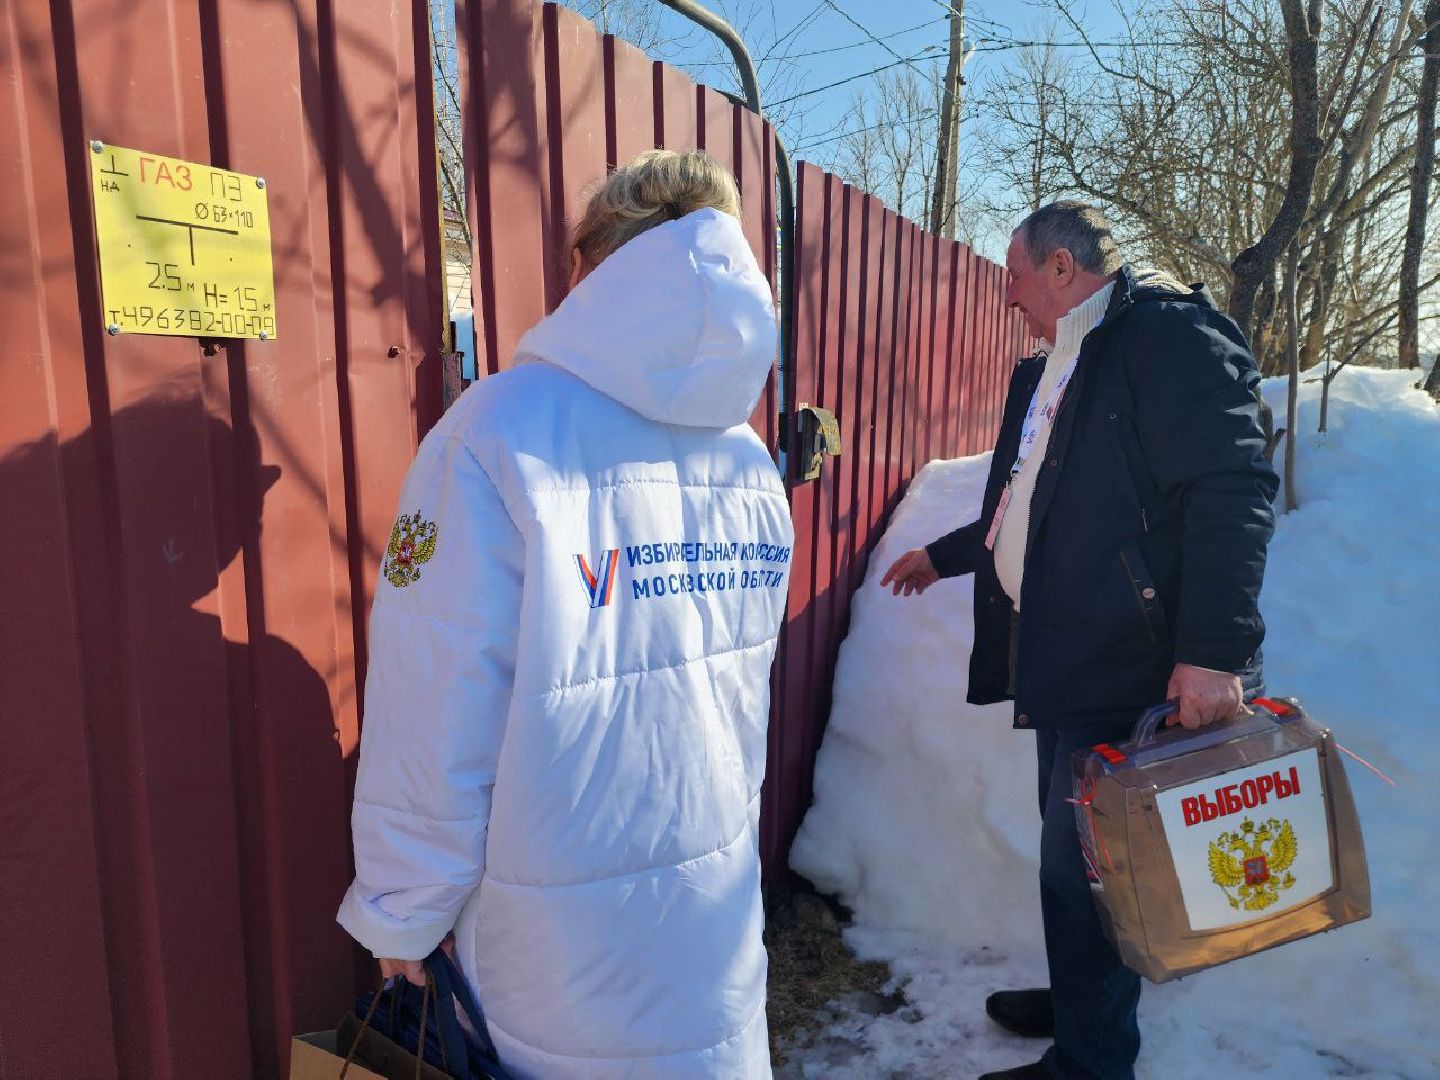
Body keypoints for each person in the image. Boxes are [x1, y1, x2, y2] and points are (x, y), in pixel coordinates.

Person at [337, 150, 793, 1078]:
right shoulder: (750, 463)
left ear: (594, 268)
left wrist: (402, 908)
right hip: (708, 914)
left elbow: (437, 701)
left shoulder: (497, 432)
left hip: (555, 946)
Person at [882, 201, 1278, 1080]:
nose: (1009, 296)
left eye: (1017, 276)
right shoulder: (1051, 365)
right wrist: (946, 557)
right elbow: (1028, 504)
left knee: (1088, 872)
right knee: (1080, 868)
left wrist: (1213, 652)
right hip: (1061, 659)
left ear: (1062, 268)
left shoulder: (1167, 339)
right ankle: (1084, 1004)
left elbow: (1234, 489)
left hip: (1125, 667)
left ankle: (1092, 1064)